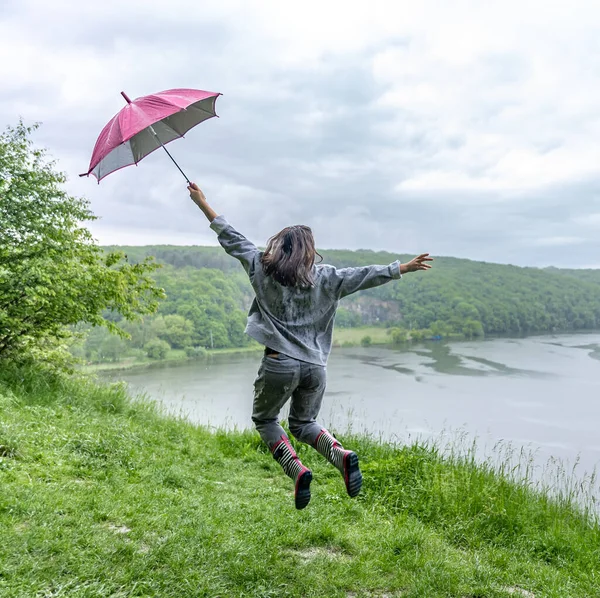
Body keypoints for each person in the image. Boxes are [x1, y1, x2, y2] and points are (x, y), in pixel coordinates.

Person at [188, 183, 433, 509]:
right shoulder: (328, 277)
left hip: (279, 363)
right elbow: (364, 274)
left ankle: (297, 470)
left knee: (265, 420)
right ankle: (340, 455)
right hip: (315, 367)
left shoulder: (261, 267)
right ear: (309, 249)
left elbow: (231, 237)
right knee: (305, 424)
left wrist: (202, 202)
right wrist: (402, 268)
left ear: (281, 246)